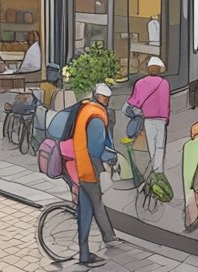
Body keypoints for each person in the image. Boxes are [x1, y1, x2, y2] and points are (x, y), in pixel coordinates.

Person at [67, 83, 120, 267]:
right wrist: (111, 158)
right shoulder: (97, 117)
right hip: (89, 168)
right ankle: (108, 237)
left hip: (80, 164)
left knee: (86, 210)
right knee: (95, 203)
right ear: (103, 98)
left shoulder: (85, 109)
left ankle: (84, 252)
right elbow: (96, 148)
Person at [126, 56, 170, 174]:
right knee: (160, 145)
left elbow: (134, 101)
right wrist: (166, 118)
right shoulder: (164, 83)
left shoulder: (140, 83)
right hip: (161, 118)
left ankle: (154, 168)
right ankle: (158, 170)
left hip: (148, 118)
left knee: (151, 144)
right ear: (159, 69)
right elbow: (165, 103)